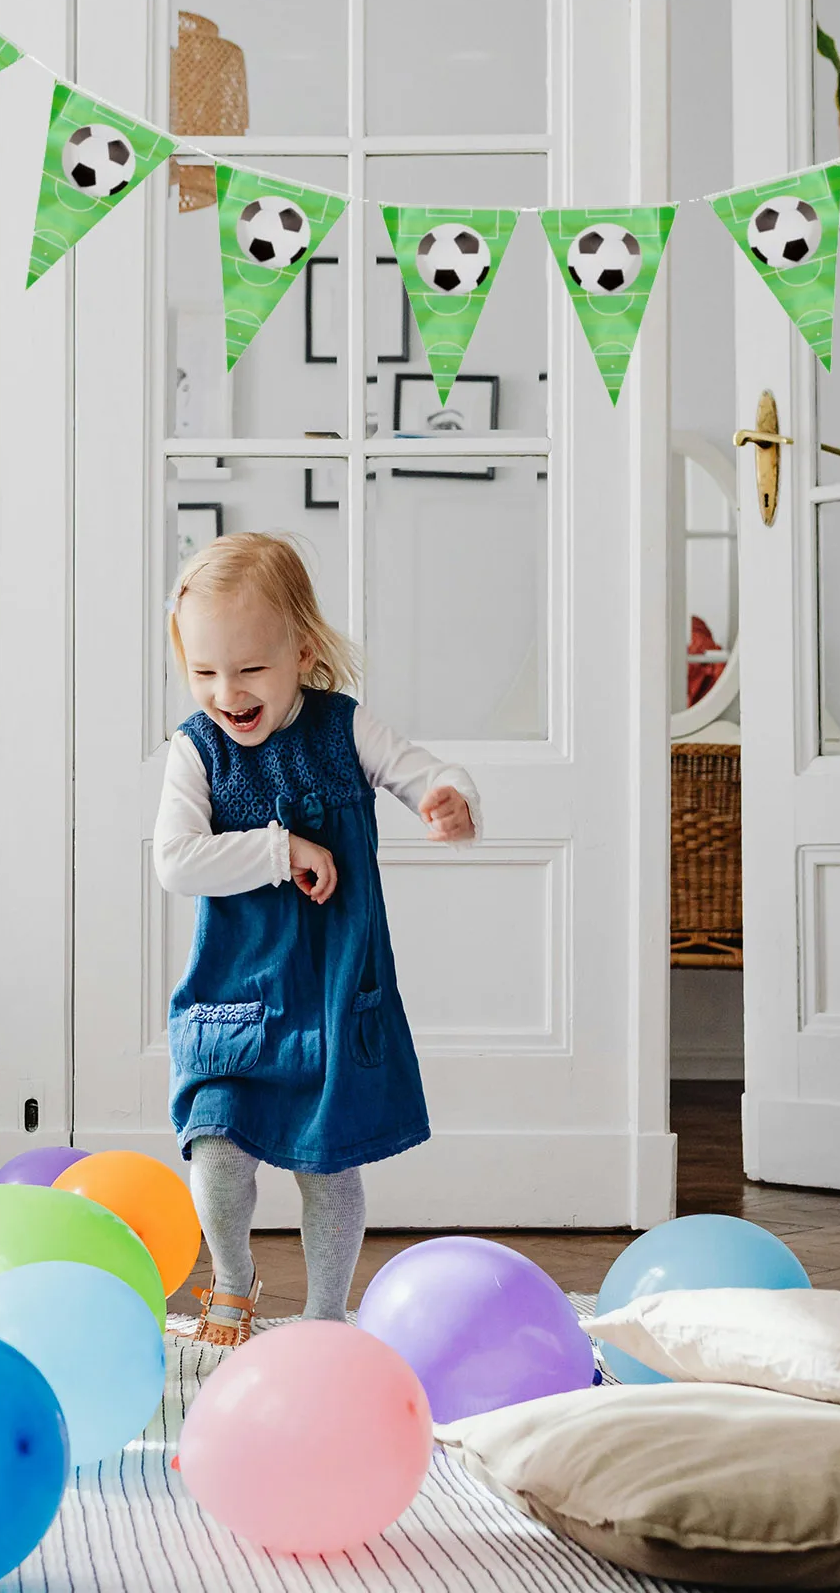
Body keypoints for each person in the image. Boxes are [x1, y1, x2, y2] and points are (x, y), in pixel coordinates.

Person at [155, 533, 479, 1345]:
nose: (227, 693)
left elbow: (425, 771)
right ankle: (232, 1283)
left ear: (301, 652)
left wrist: (452, 796)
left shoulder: (344, 730)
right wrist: (281, 850)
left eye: (249, 669)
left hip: (334, 994)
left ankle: (327, 1315)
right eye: (204, 671)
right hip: (237, 993)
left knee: (327, 1165)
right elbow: (176, 860)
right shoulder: (196, 751)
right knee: (215, 1148)